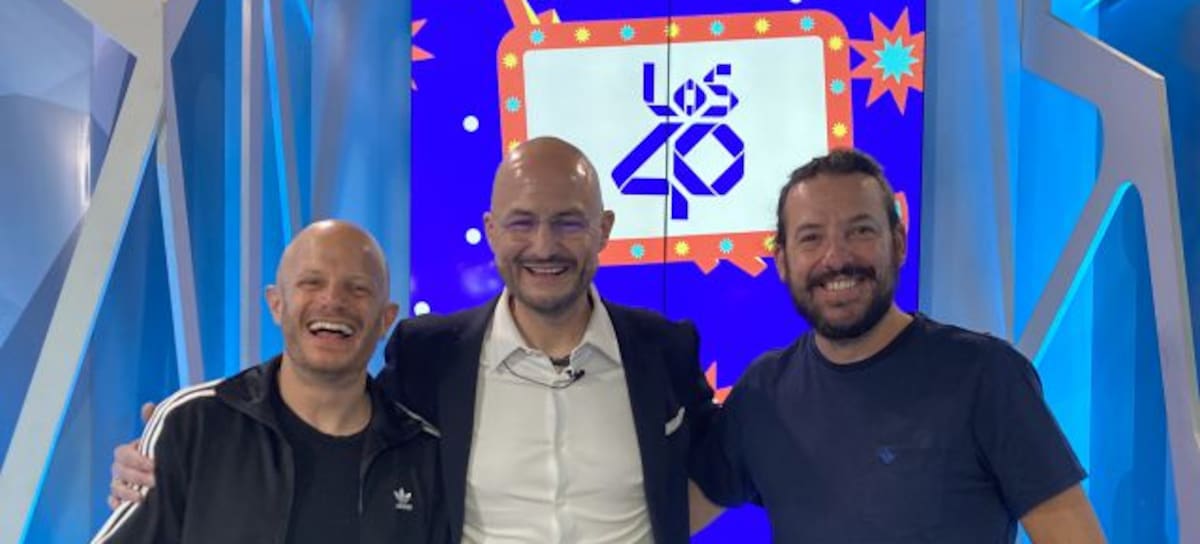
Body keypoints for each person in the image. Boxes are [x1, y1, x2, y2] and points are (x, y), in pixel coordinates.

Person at [110, 138, 720, 543]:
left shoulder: (663, 350)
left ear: (604, 230)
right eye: (522, 223)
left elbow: (733, 458)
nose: (544, 245)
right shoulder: (430, 356)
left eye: (568, 222)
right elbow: (328, 408)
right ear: (491, 232)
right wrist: (179, 446)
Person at [696, 148, 1106, 542]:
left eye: (860, 231)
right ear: (782, 262)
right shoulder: (763, 393)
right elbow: (673, 515)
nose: (836, 257)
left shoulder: (986, 376)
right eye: (811, 238)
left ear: (898, 244)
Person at [94, 220, 447, 543]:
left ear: (386, 320)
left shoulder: (424, 455)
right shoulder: (192, 423)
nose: (332, 300)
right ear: (276, 304)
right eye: (312, 282)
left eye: (357, 289)